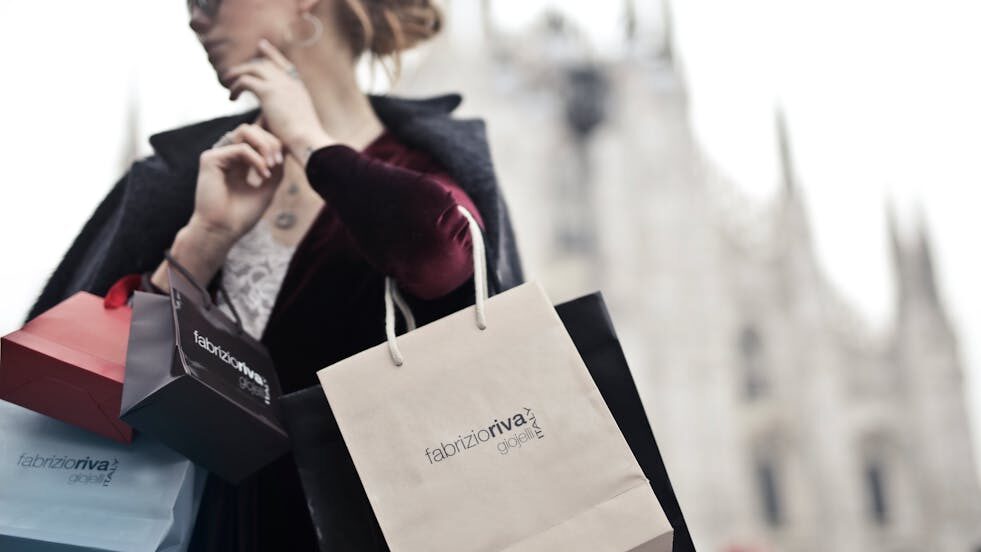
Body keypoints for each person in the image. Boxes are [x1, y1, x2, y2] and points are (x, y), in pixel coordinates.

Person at [26, 0, 523, 549]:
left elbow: (443, 258)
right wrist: (202, 244)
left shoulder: (426, 175)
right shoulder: (182, 176)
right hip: (180, 531)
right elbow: (75, 381)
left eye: (209, 1)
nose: (194, 17)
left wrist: (315, 146)